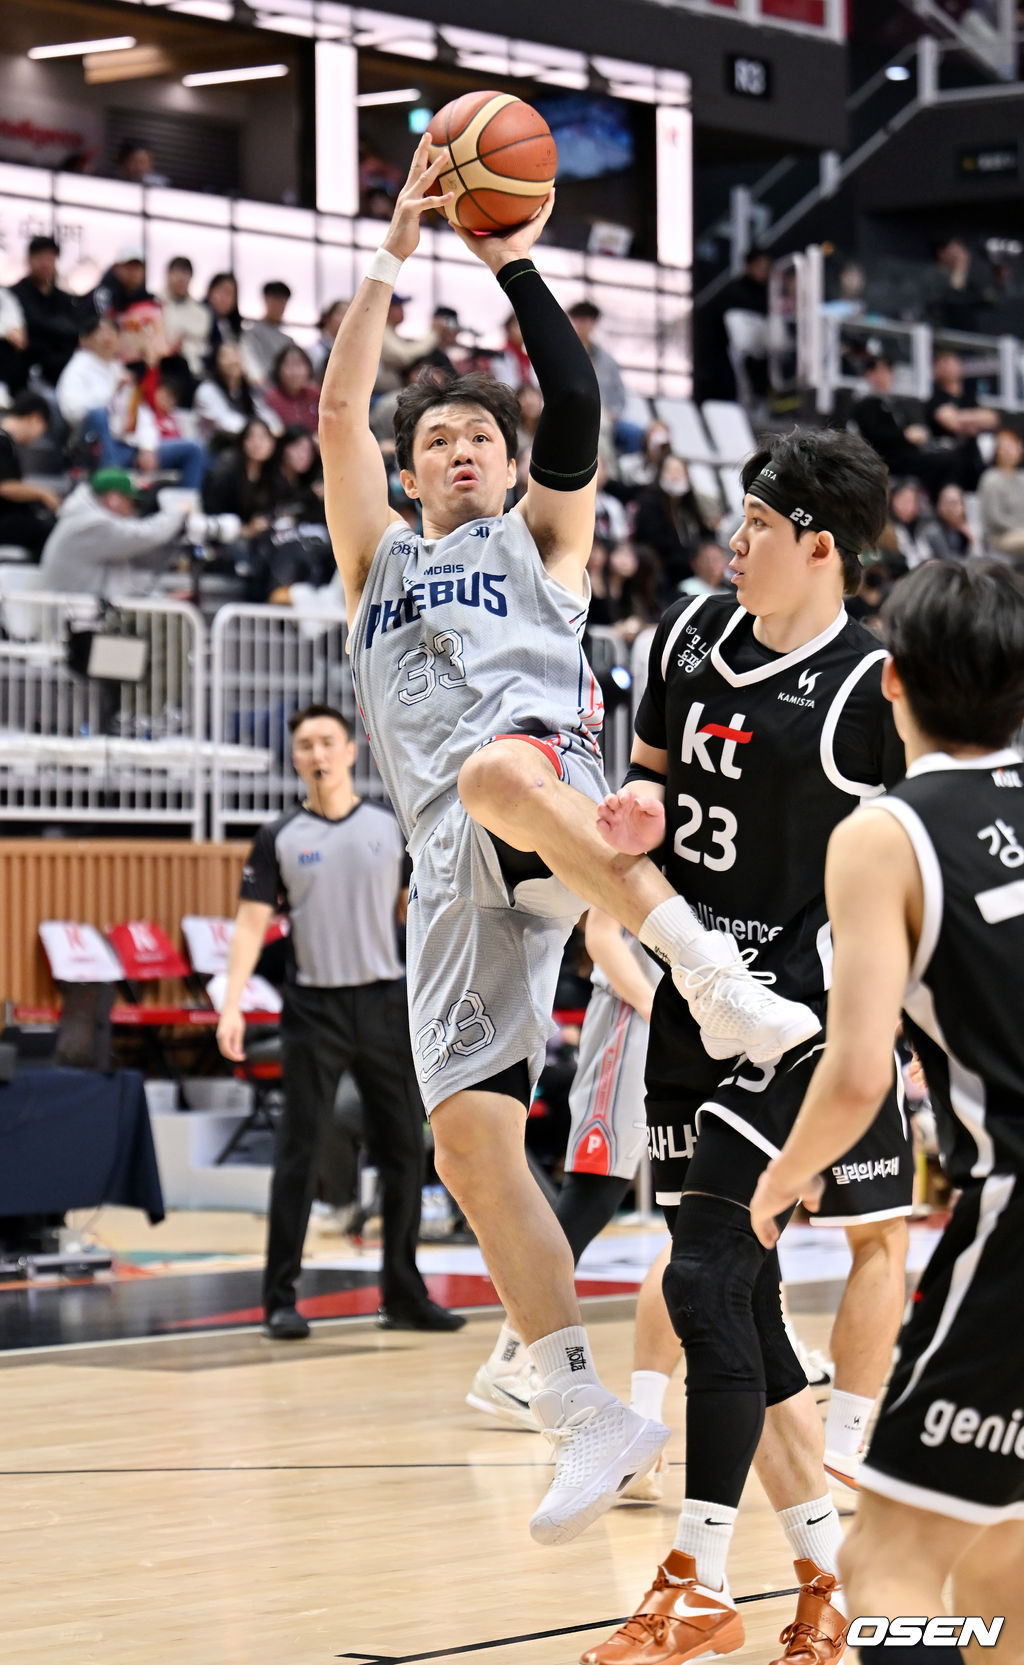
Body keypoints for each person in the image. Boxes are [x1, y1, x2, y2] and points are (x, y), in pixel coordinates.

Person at [319, 138, 819, 1548]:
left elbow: (579, 399)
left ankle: (706, 970)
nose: (461, 448)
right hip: (449, 863)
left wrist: (509, 263)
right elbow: (341, 407)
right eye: (438, 440)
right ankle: (575, 1399)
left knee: (493, 767)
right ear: (411, 472)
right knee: (470, 1145)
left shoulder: (543, 540)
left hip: (545, 791)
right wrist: (393, 246)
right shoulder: (376, 563)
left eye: (479, 435)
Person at [584, 426, 915, 1665]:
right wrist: (641, 810)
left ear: (820, 547)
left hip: (795, 1020)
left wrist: (898, 1027)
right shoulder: (683, 636)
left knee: (705, 1275)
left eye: (760, 525)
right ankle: (825, 1580)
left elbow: (914, 869)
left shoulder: (871, 689)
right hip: (689, 995)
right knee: (740, 1301)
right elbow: (656, 784)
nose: (734, 541)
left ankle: (698, 1578)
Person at [750, 558, 1024, 1661]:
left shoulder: (886, 833)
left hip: (1015, 1217)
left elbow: (860, 1071)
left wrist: (780, 1179)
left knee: (885, 1566)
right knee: (999, 1560)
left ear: (892, 680)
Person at [216, 703, 463, 1337]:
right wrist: (232, 1003)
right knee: (298, 1153)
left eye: (328, 742)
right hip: (313, 1010)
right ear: (295, 759)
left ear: (351, 751)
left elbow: (420, 913)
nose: (318, 754)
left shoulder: (388, 827)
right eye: (306, 745)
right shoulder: (279, 837)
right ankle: (279, 1299)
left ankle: (403, 1295)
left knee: (404, 1150)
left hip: (384, 1004)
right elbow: (249, 925)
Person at [39, 467, 190, 595]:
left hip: (81, 610)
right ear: (114, 499)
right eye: (130, 502)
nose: (132, 511)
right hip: (71, 616)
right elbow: (146, 535)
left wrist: (165, 597)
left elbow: (123, 579)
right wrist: (176, 512)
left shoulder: (82, 518)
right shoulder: (90, 524)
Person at [10, 235, 79, 387]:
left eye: (50, 258)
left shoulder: (64, 298)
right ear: (29, 260)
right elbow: (32, 323)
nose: (45, 264)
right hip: (26, 368)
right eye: (40, 257)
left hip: (63, 370)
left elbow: (76, 329)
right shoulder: (14, 294)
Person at [0, 392, 60, 558]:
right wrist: (43, 493)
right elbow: (4, 486)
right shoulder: (2, 441)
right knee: (50, 531)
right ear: (35, 418)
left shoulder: (8, 443)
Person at [159, 257, 211, 380]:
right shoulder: (154, 304)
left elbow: (201, 344)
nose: (181, 280)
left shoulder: (202, 312)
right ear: (168, 275)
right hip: (161, 369)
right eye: (176, 274)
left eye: (185, 274)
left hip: (192, 372)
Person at [978, 425, 1024, 559]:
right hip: (1000, 536)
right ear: (996, 451)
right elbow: (994, 517)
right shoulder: (990, 479)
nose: (1009, 451)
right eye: (1004, 447)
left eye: (1013, 446)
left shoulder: (1021, 477)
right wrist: (1019, 528)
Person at [242, 281, 296, 385]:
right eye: (276, 299)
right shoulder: (250, 333)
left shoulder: (288, 341)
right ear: (266, 300)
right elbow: (253, 370)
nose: (279, 305)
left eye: (283, 301)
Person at [264, 345, 319, 434]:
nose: (295, 372)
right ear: (278, 369)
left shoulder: (317, 395)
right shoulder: (270, 399)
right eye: (289, 366)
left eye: (299, 365)